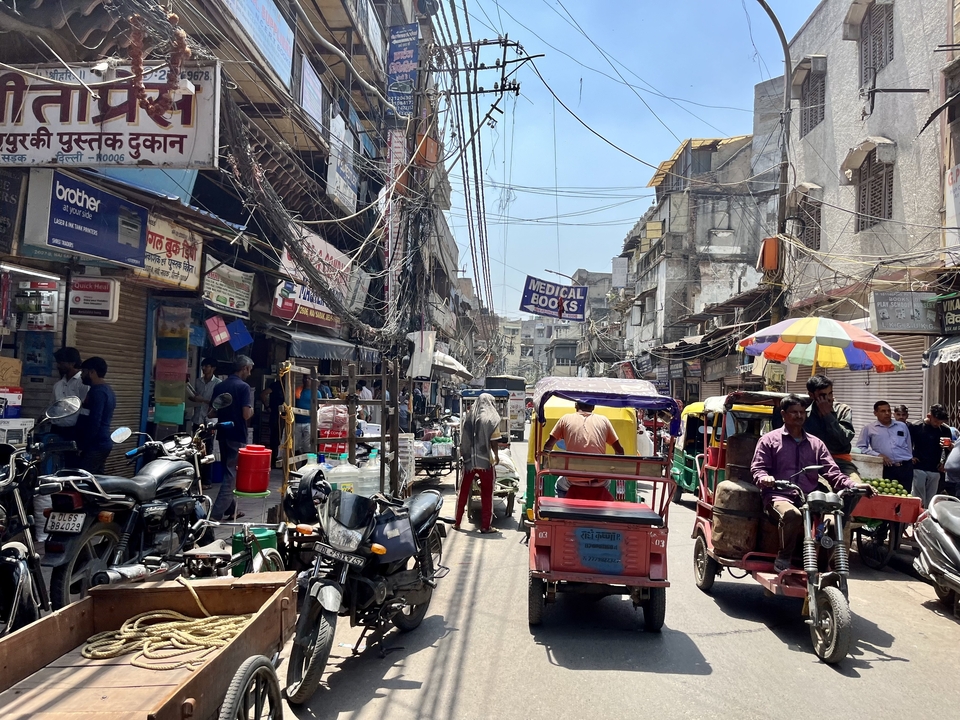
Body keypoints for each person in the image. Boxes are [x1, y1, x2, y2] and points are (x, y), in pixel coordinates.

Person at [752, 394, 872, 572]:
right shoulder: (769, 440)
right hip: (780, 496)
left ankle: (823, 564)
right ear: (783, 415)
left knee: (832, 523)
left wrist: (852, 485)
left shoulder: (816, 444)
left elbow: (833, 473)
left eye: (802, 412)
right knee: (792, 515)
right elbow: (758, 469)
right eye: (794, 412)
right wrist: (765, 478)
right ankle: (784, 556)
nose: (799, 416)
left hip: (810, 498)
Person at [542, 401, 625, 501]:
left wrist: (544, 464)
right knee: (607, 481)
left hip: (573, 480)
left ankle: (563, 511)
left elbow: (548, 445)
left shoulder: (565, 419)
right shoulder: (604, 421)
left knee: (559, 485)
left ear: (576, 406)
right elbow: (619, 450)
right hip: (599, 481)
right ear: (593, 407)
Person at [210, 355, 255, 521]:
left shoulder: (220, 386)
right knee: (231, 475)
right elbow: (246, 414)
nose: (250, 374)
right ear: (243, 368)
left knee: (227, 471)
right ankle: (215, 514)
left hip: (223, 433)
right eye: (249, 370)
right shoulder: (243, 387)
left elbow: (213, 411)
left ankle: (231, 510)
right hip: (237, 434)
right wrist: (251, 411)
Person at [455, 392, 501, 533]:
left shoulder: (468, 418)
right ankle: (486, 526)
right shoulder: (492, 419)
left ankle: (457, 522)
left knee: (463, 491)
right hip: (485, 462)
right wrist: (497, 456)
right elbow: (494, 442)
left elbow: (464, 440)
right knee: (487, 494)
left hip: (469, 462)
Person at [804, 374, 861, 484]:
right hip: (814, 462)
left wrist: (828, 416)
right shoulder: (805, 414)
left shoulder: (843, 410)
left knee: (856, 488)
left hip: (840, 462)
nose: (829, 398)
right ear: (811, 395)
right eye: (823, 395)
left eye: (830, 393)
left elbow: (844, 438)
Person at [856, 400, 915, 491]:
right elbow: (861, 447)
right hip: (887, 468)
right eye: (883, 411)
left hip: (905, 468)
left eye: (889, 410)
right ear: (875, 413)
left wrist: (909, 460)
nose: (887, 413)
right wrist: (878, 455)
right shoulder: (869, 428)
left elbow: (908, 445)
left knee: (905, 495)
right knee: (887, 495)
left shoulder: (902, 426)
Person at [75, 357, 116, 475]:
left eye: (84, 372)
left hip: (95, 444)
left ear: (92, 372)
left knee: (83, 479)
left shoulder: (97, 392)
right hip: (101, 443)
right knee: (97, 479)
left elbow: (94, 421)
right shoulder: (107, 390)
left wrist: (83, 445)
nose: (82, 375)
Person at [909, 404, 953, 509]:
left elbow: (948, 450)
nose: (938, 424)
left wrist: (945, 463)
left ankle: (926, 519)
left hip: (935, 468)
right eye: (936, 421)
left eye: (941, 422)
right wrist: (911, 456)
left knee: (931, 499)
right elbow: (907, 444)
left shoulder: (945, 430)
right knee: (918, 497)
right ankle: (916, 519)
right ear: (929, 416)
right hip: (918, 467)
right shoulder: (916, 427)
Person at [190, 357, 220, 431]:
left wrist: (203, 400)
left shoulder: (218, 383)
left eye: (206, 366)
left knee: (208, 441)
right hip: (197, 419)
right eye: (202, 366)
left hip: (210, 420)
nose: (203, 368)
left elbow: (218, 403)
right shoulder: (198, 381)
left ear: (213, 368)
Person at [259, 376, 284, 462]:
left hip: (286, 416)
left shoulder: (289, 386)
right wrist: (267, 407)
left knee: (283, 437)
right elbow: (263, 394)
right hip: (275, 414)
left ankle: (280, 458)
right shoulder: (276, 385)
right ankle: (274, 459)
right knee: (275, 437)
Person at [294, 374, 316, 455]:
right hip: (297, 421)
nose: (307, 380)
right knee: (295, 444)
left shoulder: (316, 392)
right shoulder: (298, 390)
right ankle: (296, 463)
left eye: (309, 378)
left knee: (307, 445)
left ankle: (305, 463)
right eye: (305, 378)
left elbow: (319, 407)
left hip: (309, 422)